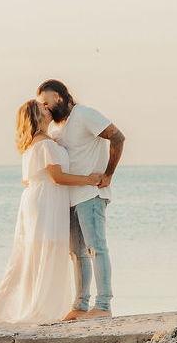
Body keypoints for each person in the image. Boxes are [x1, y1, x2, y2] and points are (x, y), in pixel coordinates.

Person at [0, 100, 110, 325]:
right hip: (46, 201)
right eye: (42, 108)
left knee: (38, 251)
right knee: (47, 250)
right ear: (36, 117)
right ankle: (40, 306)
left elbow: (28, 180)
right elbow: (57, 177)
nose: (47, 108)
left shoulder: (38, 143)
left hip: (39, 198)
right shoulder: (46, 145)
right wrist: (88, 180)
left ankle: (30, 303)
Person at [35, 78, 125, 320]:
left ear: (60, 97)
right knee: (77, 253)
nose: (44, 107)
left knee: (97, 248)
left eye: (46, 102)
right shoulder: (55, 128)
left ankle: (103, 305)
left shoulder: (84, 114)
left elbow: (117, 137)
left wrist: (108, 174)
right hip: (68, 197)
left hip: (91, 194)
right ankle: (80, 305)